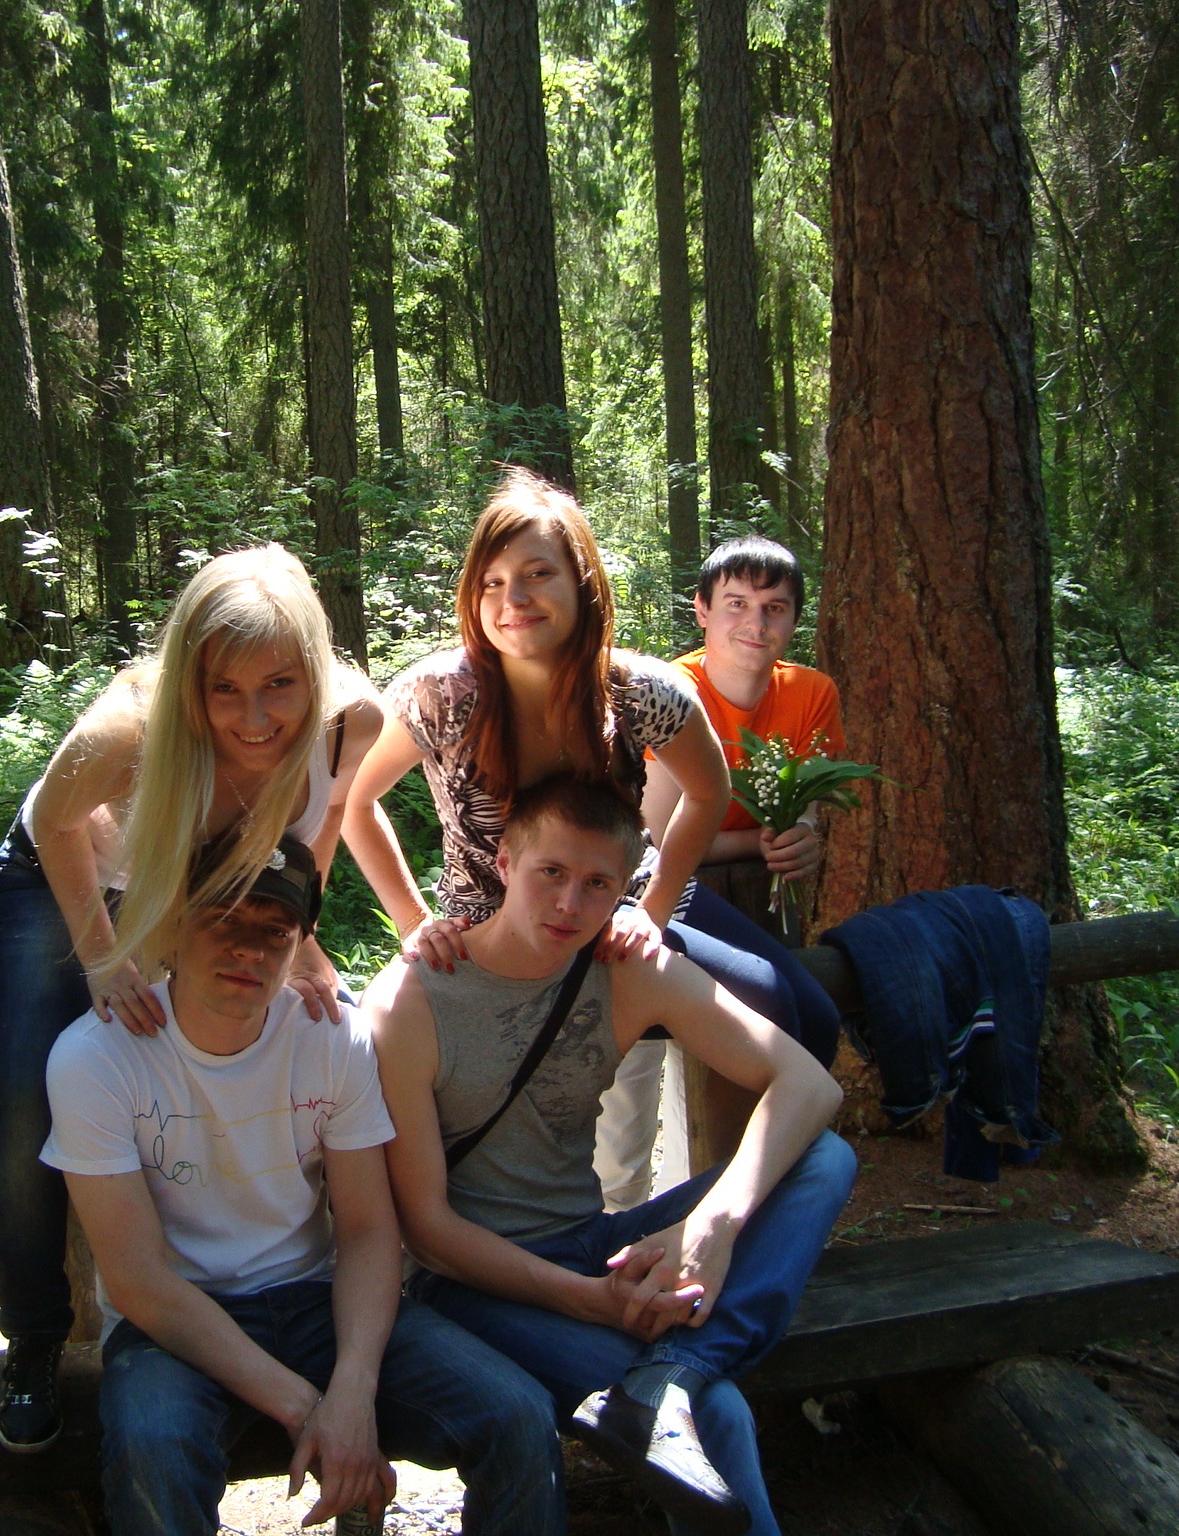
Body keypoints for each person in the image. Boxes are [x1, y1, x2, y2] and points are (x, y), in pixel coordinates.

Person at [363, 775, 855, 1536]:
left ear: (626, 889)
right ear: (504, 864)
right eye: (550, 873)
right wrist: (587, 1300)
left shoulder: (627, 966)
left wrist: (712, 1227)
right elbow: (426, 1229)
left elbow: (810, 1085)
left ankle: (676, 1371)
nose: (569, 904)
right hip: (470, 1280)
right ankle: (684, 1379)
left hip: (594, 1242)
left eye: (597, 884)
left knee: (823, 1159)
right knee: (719, 1412)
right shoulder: (416, 997)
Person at [43, 832, 566, 1536]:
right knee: (154, 1452)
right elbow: (138, 1283)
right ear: (171, 925)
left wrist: (353, 1387)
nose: (249, 950)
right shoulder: (96, 1058)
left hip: (317, 1300)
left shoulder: (330, 1037)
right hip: (175, 1323)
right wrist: (308, 1408)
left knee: (519, 1415)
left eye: (275, 930)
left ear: (299, 944)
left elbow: (368, 1230)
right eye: (223, 919)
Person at [0, 546, 383, 1452]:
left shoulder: (348, 724)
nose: (255, 718)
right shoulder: (127, 733)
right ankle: (35, 1336)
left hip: (200, 882)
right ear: (189, 683)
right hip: (67, 873)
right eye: (224, 691)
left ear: (314, 671)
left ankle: (304, 1291)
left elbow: (316, 832)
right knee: (30, 1088)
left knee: (311, 1028)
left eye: (279, 686)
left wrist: (303, 938)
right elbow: (54, 820)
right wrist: (101, 957)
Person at [342, 470, 823, 1206]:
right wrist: (415, 922)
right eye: (493, 582)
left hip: (616, 914)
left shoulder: (640, 692)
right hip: (487, 925)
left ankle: (715, 1209)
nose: (514, 598)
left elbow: (709, 790)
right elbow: (354, 802)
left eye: (538, 574)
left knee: (786, 1002)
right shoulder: (442, 694)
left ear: (583, 582)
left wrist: (651, 911)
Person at [599, 537, 847, 1209]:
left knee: (737, 1059)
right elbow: (652, 839)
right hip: (643, 899)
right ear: (702, 610)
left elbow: (808, 809)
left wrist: (802, 840)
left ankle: (697, 1210)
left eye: (775, 608)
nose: (755, 624)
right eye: (736, 604)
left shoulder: (811, 694)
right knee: (632, 1069)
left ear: (795, 619)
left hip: (755, 907)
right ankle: (613, 1215)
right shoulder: (668, 691)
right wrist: (755, 845)